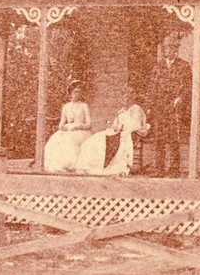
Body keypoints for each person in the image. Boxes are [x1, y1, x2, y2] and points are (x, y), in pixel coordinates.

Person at [146, 33, 191, 177]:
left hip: (175, 106)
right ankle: (159, 169)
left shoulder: (183, 66)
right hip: (160, 106)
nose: (169, 51)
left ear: (176, 50)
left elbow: (188, 86)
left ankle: (174, 169)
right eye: (166, 48)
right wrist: (150, 105)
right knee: (159, 138)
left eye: (172, 48)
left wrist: (180, 97)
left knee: (174, 138)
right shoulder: (158, 66)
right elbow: (152, 86)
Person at [76, 91, 149, 176]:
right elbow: (115, 125)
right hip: (119, 133)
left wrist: (121, 127)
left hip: (130, 134)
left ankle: (107, 166)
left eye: (126, 97)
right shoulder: (121, 111)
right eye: (123, 98)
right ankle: (88, 166)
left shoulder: (136, 109)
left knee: (106, 141)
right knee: (95, 138)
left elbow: (136, 126)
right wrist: (115, 128)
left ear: (132, 98)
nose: (124, 100)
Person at [43, 80, 92, 173]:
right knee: (55, 142)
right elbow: (61, 123)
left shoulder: (84, 106)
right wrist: (63, 128)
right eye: (75, 92)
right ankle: (62, 165)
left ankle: (73, 165)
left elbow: (89, 124)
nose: (77, 94)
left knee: (72, 141)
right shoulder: (65, 107)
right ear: (71, 94)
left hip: (80, 130)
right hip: (68, 129)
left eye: (79, 92)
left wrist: (79, 126)